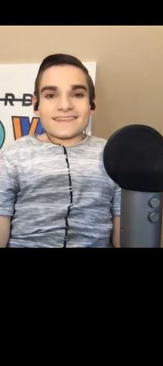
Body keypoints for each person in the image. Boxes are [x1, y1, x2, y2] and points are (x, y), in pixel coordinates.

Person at [0, 54, 121, 247]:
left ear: (92, 104)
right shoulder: (13, 156)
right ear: (36, 106)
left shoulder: (113, 154)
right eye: (50, 95)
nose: (65, 106)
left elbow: (124, 236)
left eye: (77, 94)